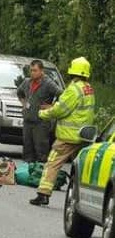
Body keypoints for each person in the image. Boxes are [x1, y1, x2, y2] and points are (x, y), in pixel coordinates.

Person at [29, 57, 95, 206]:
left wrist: (43, 114)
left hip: (68, 137)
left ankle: (43, 194)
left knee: (52, 163)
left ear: (73, 71)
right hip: (84, 136)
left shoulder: (73, 89)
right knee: (81, 169)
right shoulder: (88, 88)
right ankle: (84, 199)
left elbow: (60, 110)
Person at [17, 60, 62, 163]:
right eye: (31, 70)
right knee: (27, 152)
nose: (32, 73)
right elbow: (19, 92)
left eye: (35, 70)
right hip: (28, 121)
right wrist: (24, 103)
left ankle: (40, 174)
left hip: (41, 123)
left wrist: (52, 106)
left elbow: (62, 95)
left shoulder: (48, 83)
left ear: (41, 71)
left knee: (41, 152)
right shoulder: (27, 82)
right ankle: (27, 175)